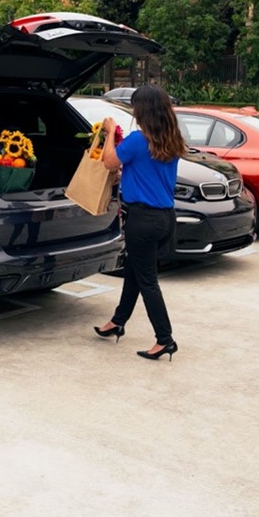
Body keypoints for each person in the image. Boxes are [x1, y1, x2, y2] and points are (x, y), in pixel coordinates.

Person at [93, 85, 185, 361]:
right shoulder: (170, 140)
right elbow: (147, 173)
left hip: (143, 220)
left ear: (142, 110)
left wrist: (109, 132)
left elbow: (109, 162)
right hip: (165, 218)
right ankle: (117, 321)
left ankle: (164, 339)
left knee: (147, 281)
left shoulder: (136, 140)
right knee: (134, 271)